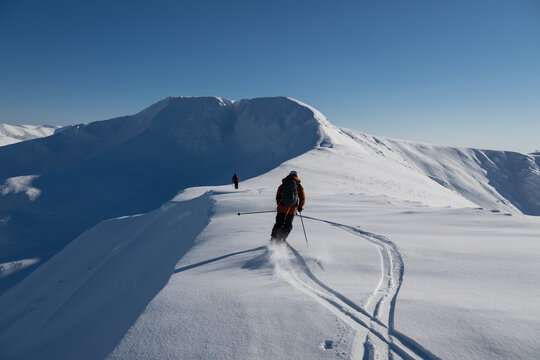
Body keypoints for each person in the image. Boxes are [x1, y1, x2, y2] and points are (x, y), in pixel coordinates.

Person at [270, 170, 305, 243]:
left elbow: (278, 196)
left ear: (288, 175)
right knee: (288, 225)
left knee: (279, 223)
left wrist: (279, 205)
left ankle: (273, 239)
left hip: (282, 207)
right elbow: (302, 198)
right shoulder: (299, 186)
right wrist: (300, 207)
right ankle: (282, 238)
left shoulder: (283, 184)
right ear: (296, 177)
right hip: (292, 209)